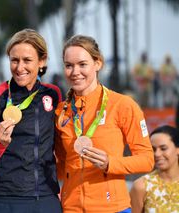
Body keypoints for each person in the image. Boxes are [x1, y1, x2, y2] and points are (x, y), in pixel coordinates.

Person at [54, 35, 154, 212]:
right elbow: (62, 166)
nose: (75, 71)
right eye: (69, 66)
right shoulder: (61, 111)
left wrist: (111, 163)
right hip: (71, 208)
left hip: (112, 207)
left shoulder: (122, 105)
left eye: (82, 64)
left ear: (97, 63)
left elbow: (147, 160)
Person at [0, 28, 62, 213]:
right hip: (4, 198)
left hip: (46, 196)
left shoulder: (53, 94)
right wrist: (0, 143)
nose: (19, 67)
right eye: (14, 60)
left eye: (27, 60)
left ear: (42, 61)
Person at [130, 125, 179, 213]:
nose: (157, 154)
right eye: (153, 149)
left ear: (177, 150)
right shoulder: (141, 186)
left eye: (163, 148)